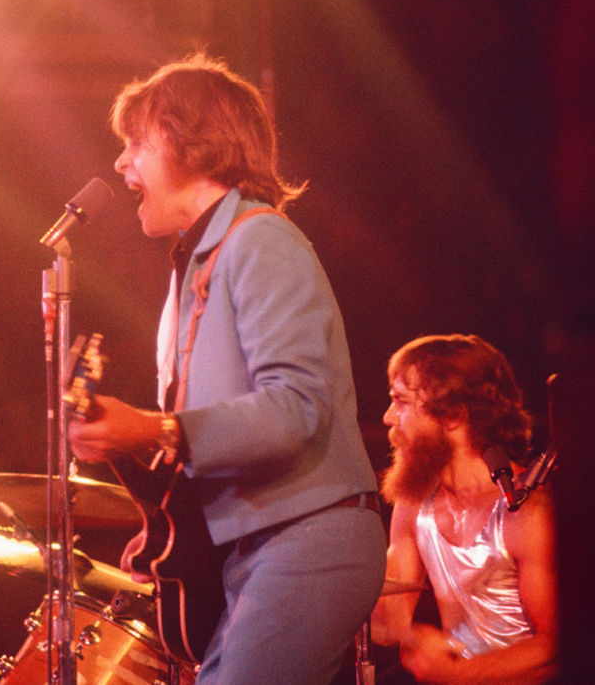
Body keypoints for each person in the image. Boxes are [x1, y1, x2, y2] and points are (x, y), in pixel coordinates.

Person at [67, 53, 387, 685]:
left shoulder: (261, 240)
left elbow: (296, 406)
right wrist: (174, 524)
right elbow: (219, 430)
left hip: (309, 539)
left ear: (196, 145)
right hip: (258, 547)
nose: (120, 163)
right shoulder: (196, 265)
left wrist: (155, 430)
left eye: (136, 143)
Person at [371, 334, 559, 684]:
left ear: (453, 415)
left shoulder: (526, 511)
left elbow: (555, 647)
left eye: (401, 401)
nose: (387, 417)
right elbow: (386, 624)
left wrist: (462, 675)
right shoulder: (415, 505)